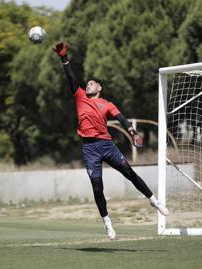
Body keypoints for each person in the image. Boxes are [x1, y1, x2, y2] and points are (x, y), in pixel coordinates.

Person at [52, 42, 169, 240]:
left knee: (130, 173)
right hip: (89, 149)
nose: (88, 84)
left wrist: (131, 131)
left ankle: (154, 201)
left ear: (99, 88)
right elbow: (71, 78)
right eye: (87, 82)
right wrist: (64, 58)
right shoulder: (80, 96)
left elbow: (122, 118)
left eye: (92, 83)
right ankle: (107, 222)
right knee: (97, 187)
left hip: (107, 146)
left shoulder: (107, 104)